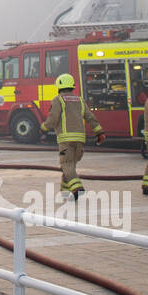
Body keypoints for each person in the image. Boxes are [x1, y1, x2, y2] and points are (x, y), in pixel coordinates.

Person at [39, 73, 105, 201]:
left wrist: (43, 128)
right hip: (80, 139)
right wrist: (99, 132)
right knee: (70, 166)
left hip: (66, 139)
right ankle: (65, 192)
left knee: (66, 164)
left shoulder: (58, 100)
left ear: (59, 86)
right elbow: (90, 117)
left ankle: (77, 188)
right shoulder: (79, 100)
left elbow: (53, 118)